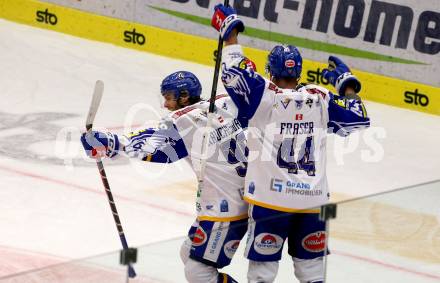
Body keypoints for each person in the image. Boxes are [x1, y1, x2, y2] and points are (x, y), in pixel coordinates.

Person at [211, 4, 370, 283]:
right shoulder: (320, 97)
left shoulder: (265, 96)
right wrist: (346, 85)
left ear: (269, 72)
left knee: (263, 274)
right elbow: (358, 119)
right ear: (299, 73)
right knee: (312, 274)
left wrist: (230, 33)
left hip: (272, 201)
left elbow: (233, 74)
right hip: (312, 202)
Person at [80, 71, 249, 283]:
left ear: (184, 96)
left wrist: (108, 142)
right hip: (240, 196)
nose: (165, 104)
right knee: (188, 253)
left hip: (228, 207)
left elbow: (151, 142)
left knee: (199, 272)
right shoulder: (226, 103)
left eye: (168, 97)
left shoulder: (183, 121)